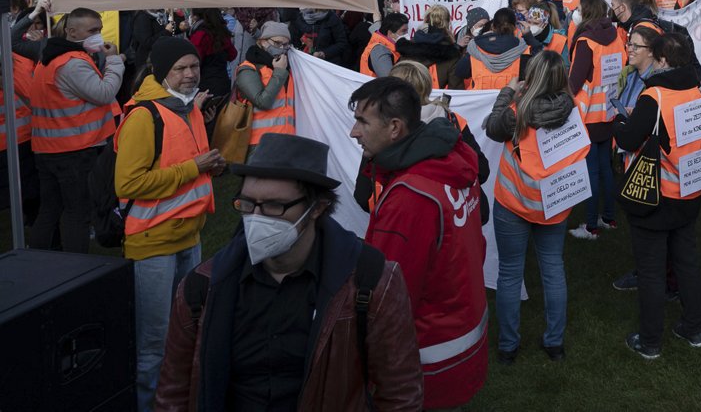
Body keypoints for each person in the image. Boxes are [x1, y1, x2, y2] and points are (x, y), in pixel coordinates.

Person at [155, 133, 424, 411]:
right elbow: (173, 394)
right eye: (247, 204)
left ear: (317, 208)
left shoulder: (370, 283)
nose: (256, 218)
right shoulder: (202, 287)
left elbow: (400, 395)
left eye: (274, 206)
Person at [349, 77, 488, 409]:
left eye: (362, 122)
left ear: (395, 128)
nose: (353, 132)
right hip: (463, 338)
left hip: (425, 364)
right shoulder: (452, 161)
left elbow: (387, 301)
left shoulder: (410, 197)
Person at [116, 37, 225, 412]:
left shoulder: (188, 108)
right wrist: (195, 168)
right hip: (153, 243)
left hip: (188, 235)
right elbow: (128, 184)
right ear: (161, 71)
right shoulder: (143, 116)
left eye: (193, 66)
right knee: (155, 341)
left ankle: (180, 399)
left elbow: (185, 163)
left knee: (185, 329)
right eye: (180, 68)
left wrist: (209, 165)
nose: (190, 74)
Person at [484, 51, 589, 364]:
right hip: (553, 205)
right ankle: (554, 343)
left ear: (532, 78)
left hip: (514, 202)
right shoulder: (575, 111)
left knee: (510, 273)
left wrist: (508, 92)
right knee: (553, 269)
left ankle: (508, 346)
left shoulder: (517, 111)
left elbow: (492, 127)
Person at [611, 32, 701, 358]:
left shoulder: (654, 95)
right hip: (690, 191)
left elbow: (629, 138)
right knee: (687, 263)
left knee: (651, 271)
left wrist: (618, 123)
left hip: (656, 196)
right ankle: (694, 329)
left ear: (663, 60)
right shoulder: (696, 90)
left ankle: (650, 342)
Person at [30, 7, 125, 251]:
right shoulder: (72, 63)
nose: (99, 36)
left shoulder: (50, 58)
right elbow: (104, 93)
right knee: (77, 213)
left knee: (50, 210)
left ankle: (38, 259)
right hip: (74, 151)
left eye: (100, 30)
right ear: (72, 31)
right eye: (93, 31)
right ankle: (75, 267)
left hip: (48, 149)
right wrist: (115, 61)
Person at [568, 0, 624, 239]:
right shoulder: (615, 36)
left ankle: (590, 225)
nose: (575, 12)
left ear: (587, 12)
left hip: (588, 114)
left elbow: (575, 80)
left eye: (579, 9)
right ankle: (609, 217)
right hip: (608, 112)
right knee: (605, 168)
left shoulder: (586, 41)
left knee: (591, 171)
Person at [234, 21, 296, 153]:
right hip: (259, 143)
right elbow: (263, 102)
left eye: (286, 45)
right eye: (277, 43)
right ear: (262, 41)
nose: (282, 48)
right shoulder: (248, 68)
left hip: (286, 139)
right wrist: (279, 72)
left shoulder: (285, 67)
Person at [455, 8, 525, 90]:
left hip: (479, 100)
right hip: (509, 100)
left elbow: (460, 72)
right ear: (514, 27)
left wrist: (482, 38)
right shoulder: (522, 46)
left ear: (493, 26)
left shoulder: (476, 45)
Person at [360, 13, 411, 78]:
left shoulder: (390, 46)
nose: (407, 34)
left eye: (407, 31)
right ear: (390, 33)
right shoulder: (379, 50)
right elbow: (389, 79)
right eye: (403, 31)